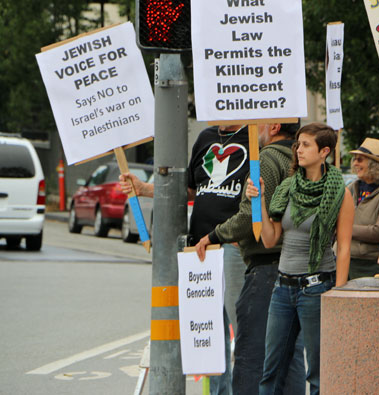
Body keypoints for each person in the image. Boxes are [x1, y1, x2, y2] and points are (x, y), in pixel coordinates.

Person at [120, 124, 250, 395]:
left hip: (233, 247)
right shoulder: (206, 137)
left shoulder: (254, 138)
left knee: (243, 330)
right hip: (201, 249)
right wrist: (144, 188)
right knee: (211, 335)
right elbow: (190, 189)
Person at [193, 122, 306, 394]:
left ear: (275, 125)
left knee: (251, 354)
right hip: (294, 267)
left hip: (265, 267)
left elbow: (249, 216)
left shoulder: (265, 157)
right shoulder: (299, 159)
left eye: (263, 120)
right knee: (290, 353)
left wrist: (214, 235)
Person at [246, 122, 354, 395]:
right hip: (282, 288)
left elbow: (343, 247)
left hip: (317, 287)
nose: (298, 150)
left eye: (306, 145)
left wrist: (339, 292)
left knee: (318, 372)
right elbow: (270, 239)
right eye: (298, 144)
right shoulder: (287, 187)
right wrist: (259, 202)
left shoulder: (340, 193)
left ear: (324, 151)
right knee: (271, 370)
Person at [347, 138, 379, 279]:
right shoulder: (352, 188)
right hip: (344, 260)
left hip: (370, 266)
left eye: (360, 160)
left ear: (376, 165)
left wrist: (343, 228)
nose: (355, 163)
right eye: (355, 159)